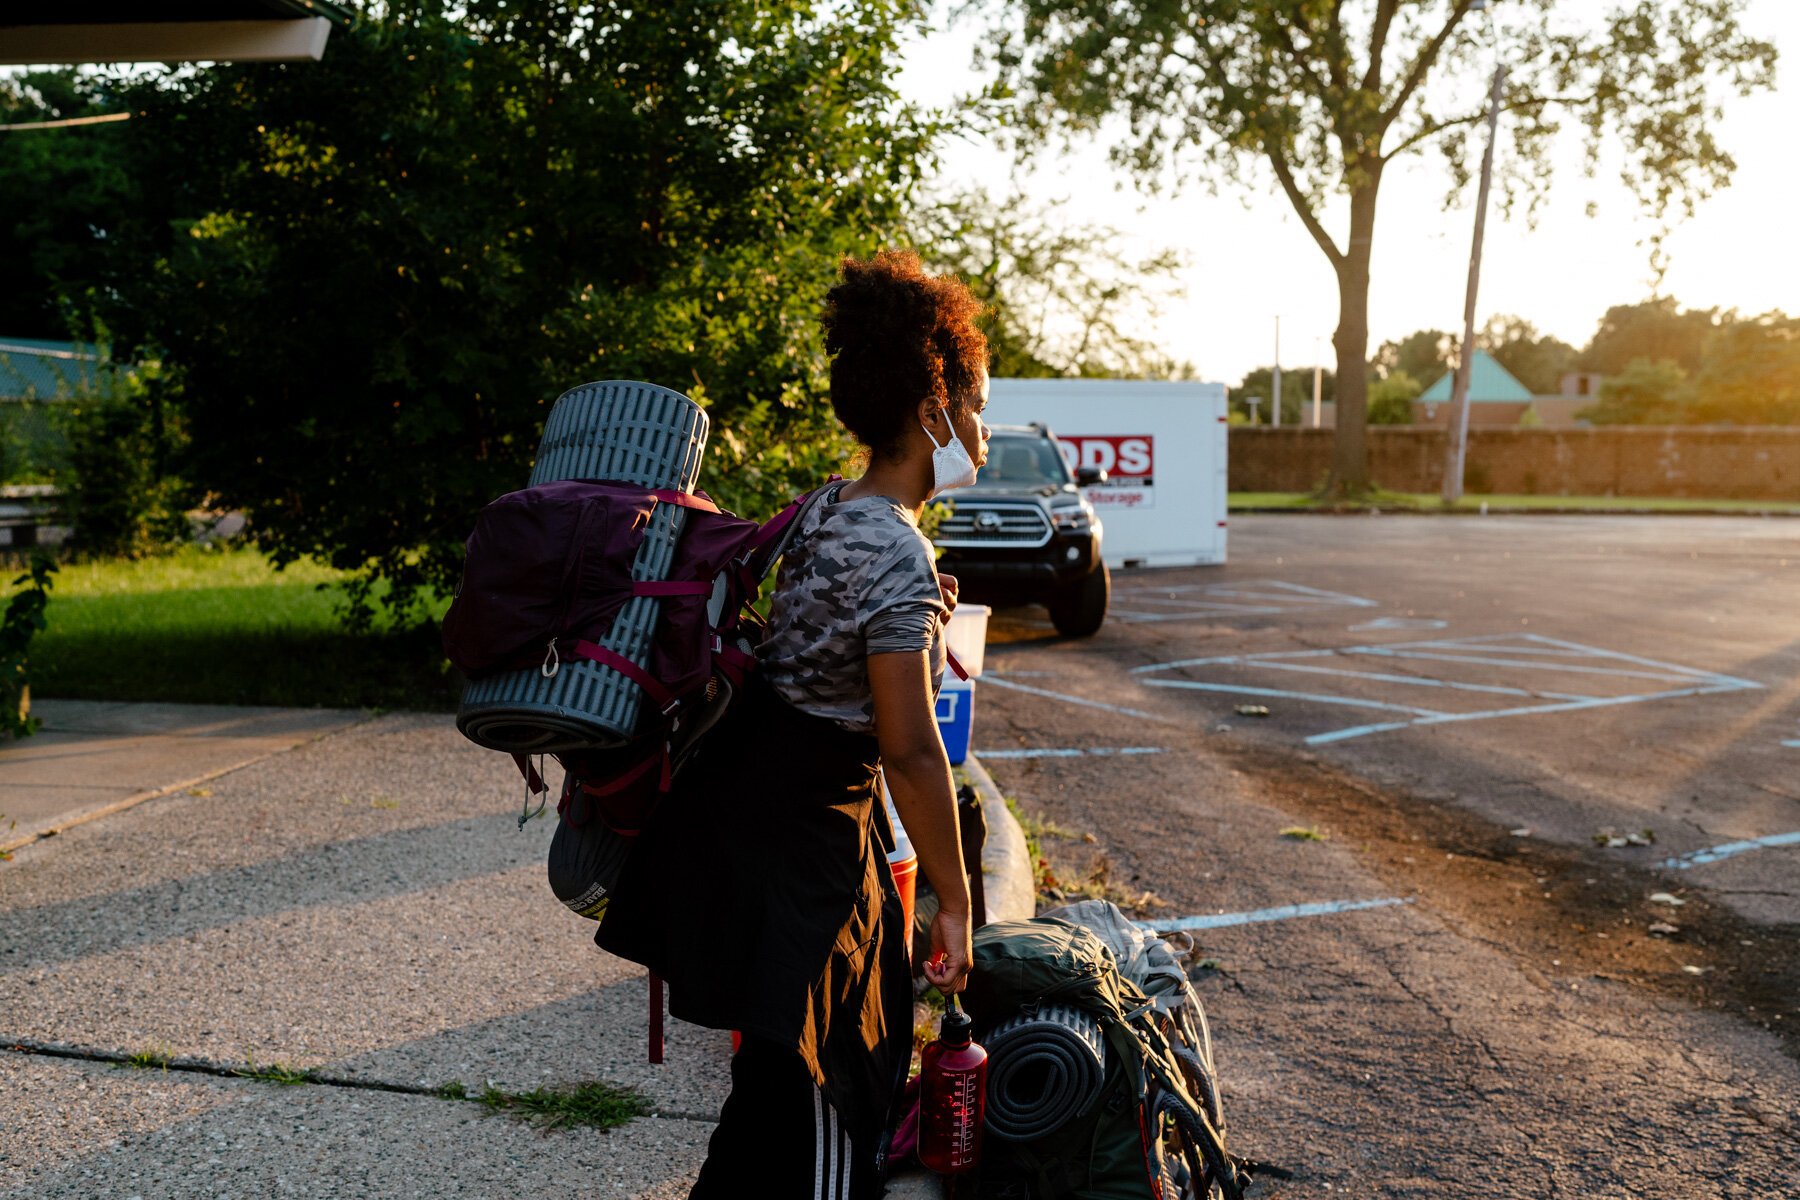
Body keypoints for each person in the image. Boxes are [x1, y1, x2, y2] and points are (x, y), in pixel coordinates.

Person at [597, 248, 991, 1198]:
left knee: (768, 1099)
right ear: (934, 410)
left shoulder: (822, 510)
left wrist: (914, 618)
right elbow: (905, 746)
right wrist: (956, 897)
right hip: (805, 852)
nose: (982, 430)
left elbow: (812, 645)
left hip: (747, 812)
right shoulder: (894, 548)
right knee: (828, 1111)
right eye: (976, 405)